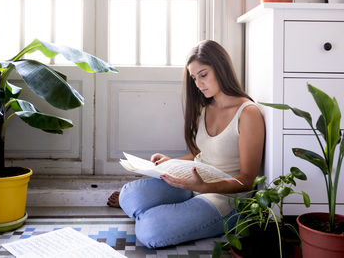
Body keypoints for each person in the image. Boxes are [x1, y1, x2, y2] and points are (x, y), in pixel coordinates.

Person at [107, 40, 265, 249]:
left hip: (225, 199)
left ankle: (153, 214)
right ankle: (157, 211)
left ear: (220, 68)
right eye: (194, 78)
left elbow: (247, 180)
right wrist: (170, 162)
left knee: (150, 230)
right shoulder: (206, 106)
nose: (198, 84)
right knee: (130, 193)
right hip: (194, 184)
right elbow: (199, 153)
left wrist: (203, 187)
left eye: (203, 74)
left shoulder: (247, 113)